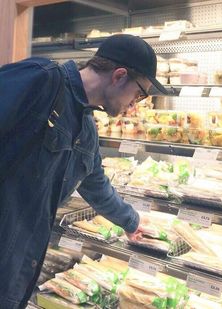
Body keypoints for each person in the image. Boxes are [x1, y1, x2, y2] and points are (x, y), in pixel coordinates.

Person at [0, 34, 168, 308]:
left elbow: (96, 184)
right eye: (140, 93)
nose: (135, 104)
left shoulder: (86, 128)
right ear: (119, 75)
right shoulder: (40, 79)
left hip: (15, 268)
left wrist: (131, 221)